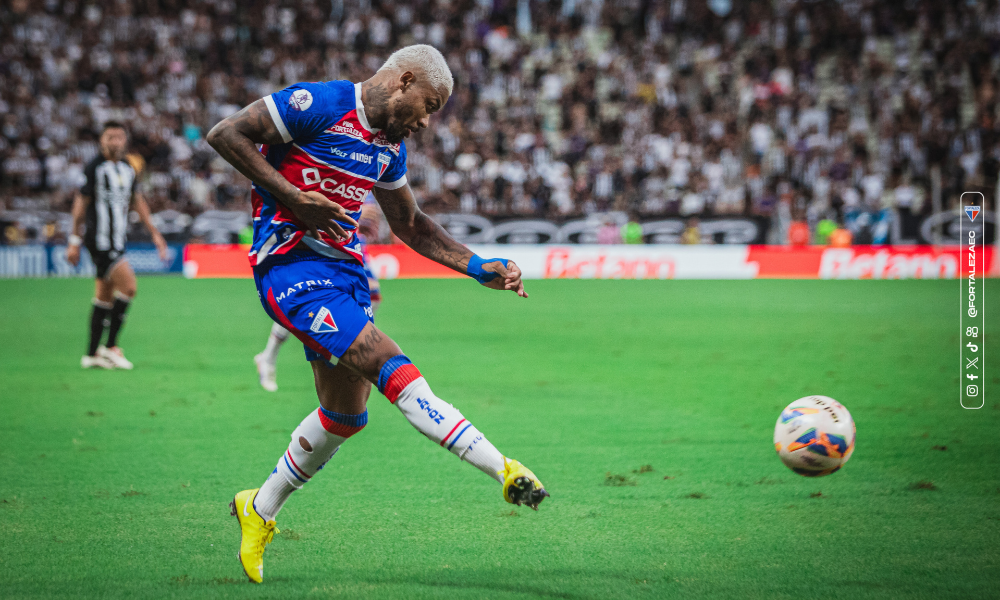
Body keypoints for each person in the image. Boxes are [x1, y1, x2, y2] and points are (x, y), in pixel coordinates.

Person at [207, 44, 548, 584]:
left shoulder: (388, 149)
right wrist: (292, 197)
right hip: (290, 269)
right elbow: (226, 134)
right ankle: (504, 469)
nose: (427, 121)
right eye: (429, 105)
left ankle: (260, 507)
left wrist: (477, 264)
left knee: (344, 414)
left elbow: (410, 225)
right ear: (405, 80)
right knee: (384, 360)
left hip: (345, 274)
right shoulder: (316, 104)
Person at [253, 195, 384, 392]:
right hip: (322, 245)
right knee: (306, 300)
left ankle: (336, 343)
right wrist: (354, 215)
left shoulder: (372, 171)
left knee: (372, 295)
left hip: (352, 241)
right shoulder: (328, 168)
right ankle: (271, 355)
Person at [67, 121, 168, 369]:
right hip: (99, 240)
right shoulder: (94, 168)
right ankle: (111, 347)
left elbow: (138, 201)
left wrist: (154, 232)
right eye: (110, 137)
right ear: (101, 140)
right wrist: (74, 240)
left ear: (125, 140)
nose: (115, 142)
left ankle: (91, 355)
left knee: (103, 296)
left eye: (119, 137)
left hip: (116, 240)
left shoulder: (127, 168)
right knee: (129, 287)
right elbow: (80, 205)